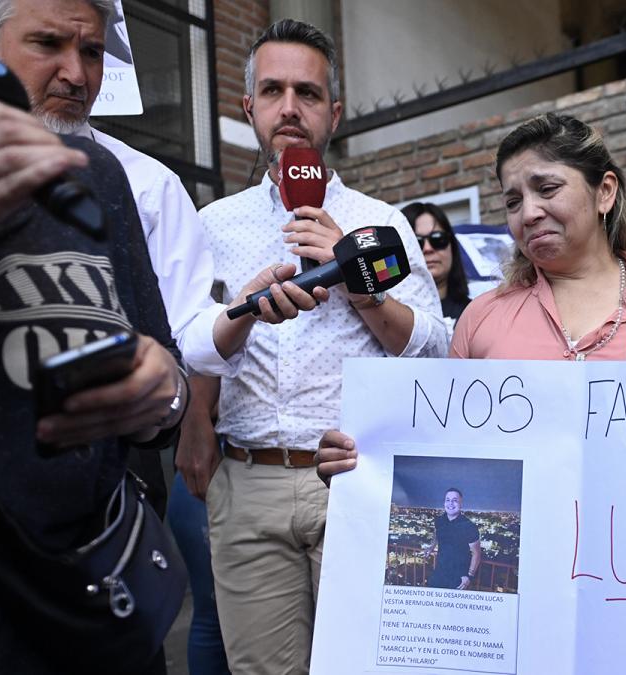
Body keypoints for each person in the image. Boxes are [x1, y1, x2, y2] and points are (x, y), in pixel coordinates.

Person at [314, 114, 626, 485]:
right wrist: (367, 460)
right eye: (512, 201)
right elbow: (446, 459)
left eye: (547, 188)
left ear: (604, 192)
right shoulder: (481, 321)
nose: (528, 213)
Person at [189, 19, 446, 674]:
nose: (289, 107)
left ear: (334, 112)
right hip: (248, 480)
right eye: (272, 90)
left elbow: (436, 350)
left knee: (377, 663)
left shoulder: (381, 223)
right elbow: (191, 343)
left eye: (307, 92)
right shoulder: (214, 225)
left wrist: (355, 276)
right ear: (248, 108)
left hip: (360, 478)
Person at [0, 2, 185, 672]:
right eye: (47, 43)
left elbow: (166, 374)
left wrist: (162, 392)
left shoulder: (97, 174)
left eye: (92, 52)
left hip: (105, 602)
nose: (76, 74)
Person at [401, 202, 471, 330]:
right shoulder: (388, 316)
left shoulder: (476, 313)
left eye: (438, 239)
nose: (428, 249)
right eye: (416, 242)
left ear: (452, 247)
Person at [425, 488, 482, 590]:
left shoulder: (469, 526)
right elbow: (437, 534)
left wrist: (469, 576)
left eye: (455, 500)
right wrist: (431, 547)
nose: (450, 503)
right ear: (444, 503)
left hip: (459, 577)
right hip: (439, 572)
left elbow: (476, 553)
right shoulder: (439, 521)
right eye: (448, 500)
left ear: (461, 504)